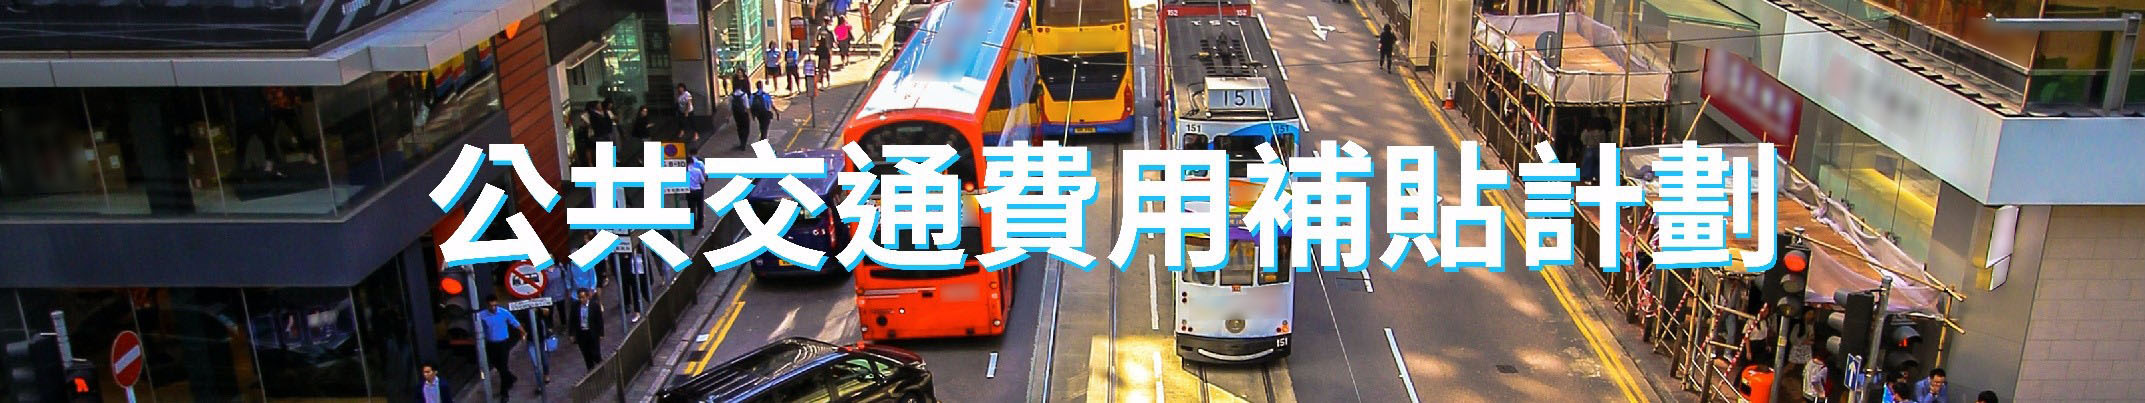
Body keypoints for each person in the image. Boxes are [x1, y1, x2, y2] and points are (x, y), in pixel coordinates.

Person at [477, 296, 524, 399]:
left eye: (495, 305)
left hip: (503, 344)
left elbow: (514, 322)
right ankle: (510, 377)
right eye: (491, 306)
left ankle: (504, 393)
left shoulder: (504, 312)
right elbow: (478, 327)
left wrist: (523, 332)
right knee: (496, 363)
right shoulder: (481, 315)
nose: (493, 308)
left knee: (503, 368)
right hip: (491, 344)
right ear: (487, 305)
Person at [568, 288, 605, 370]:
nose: (581, 300)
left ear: (587, 297)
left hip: (592, 333)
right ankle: (590, 369)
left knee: (596, 353)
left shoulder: (594, 305)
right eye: (580, 298)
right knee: (586, 353)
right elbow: (572, 320)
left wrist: (601, 333)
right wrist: (571, 334)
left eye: (583, 297)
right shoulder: (575, 306)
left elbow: (599, 320)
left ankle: (600, 368)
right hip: (581, 334)